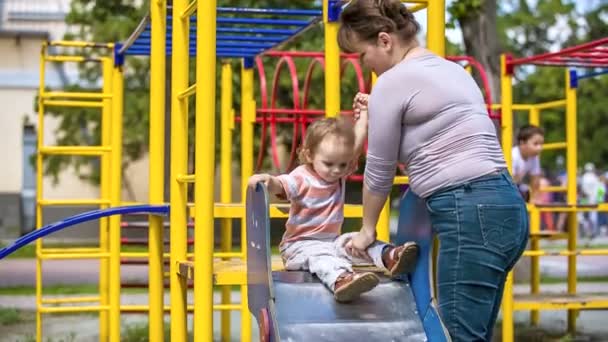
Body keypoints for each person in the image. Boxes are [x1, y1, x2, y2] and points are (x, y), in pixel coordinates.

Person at [337, 0, 529, 340]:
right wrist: (376, 113)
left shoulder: (392, 82)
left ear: (385, 40)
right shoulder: (452, 69)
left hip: (469, 211)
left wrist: (367, 230)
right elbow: (429, 146)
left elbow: (379, 171)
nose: (362, 64)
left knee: (457, 336)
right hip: (507, 206)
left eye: (361, 54)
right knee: (474, 333)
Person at [248, 112, 419, 303]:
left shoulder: (338, 172)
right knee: (322, 257)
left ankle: (390, 256)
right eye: (329, 164)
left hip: (332, 241)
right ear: (309, 155)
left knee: (357, 240)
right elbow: (281, 184)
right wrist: (268, 180)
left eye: (343, 164)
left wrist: (363, 118)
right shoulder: (302, 177)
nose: (337, 170)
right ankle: (341, 280)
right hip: (299, 246)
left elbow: (354, 146)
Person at [511, 124, 545, 201]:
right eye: (535, 144)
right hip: (503, 187)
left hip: (516, 185)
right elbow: (509, 179)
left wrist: (535, 198)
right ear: (522, 143)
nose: (540, 148)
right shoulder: (513, 155)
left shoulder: (534, 157)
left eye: (541, 144)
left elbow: (535, 180)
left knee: (525, 192)